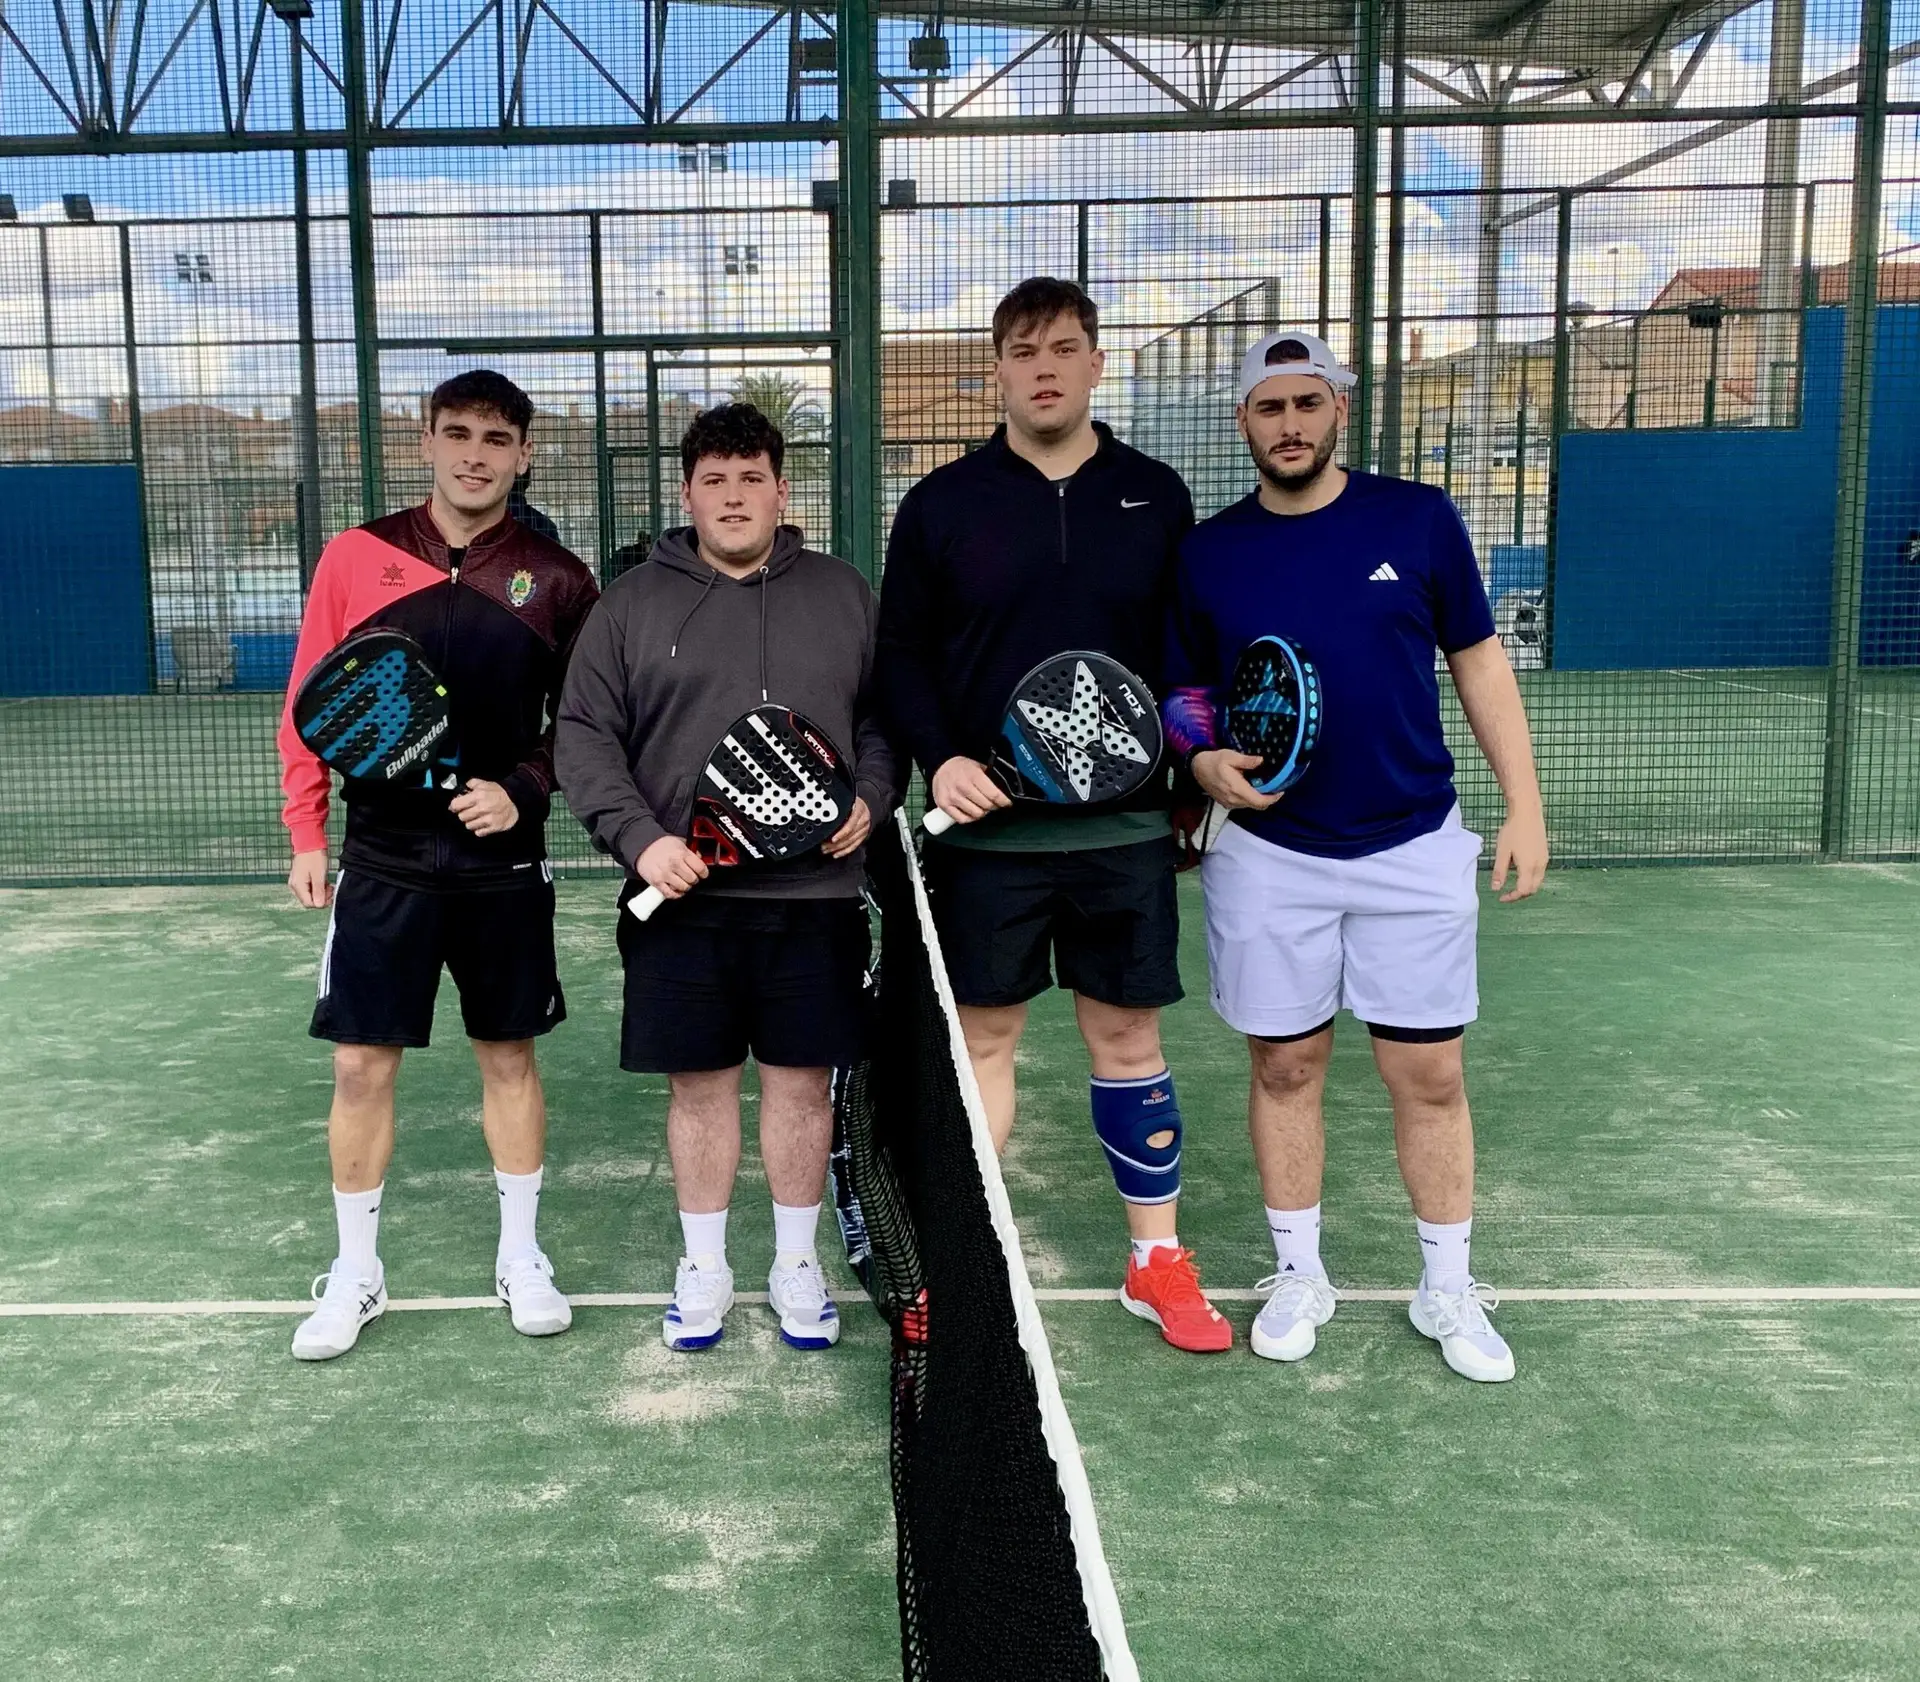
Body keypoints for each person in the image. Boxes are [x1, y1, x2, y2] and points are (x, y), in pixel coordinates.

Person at [1163, 330, 1549, 1383]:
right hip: (1269, 853)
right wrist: (1200, 758)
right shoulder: (1209, 551)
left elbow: (1478, 660)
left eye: (1307, 402)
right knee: (1285, 1065)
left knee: (1428, 1071)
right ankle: (1300, 1275)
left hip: (1412, 843)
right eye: (1269, 407)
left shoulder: (1416, 518)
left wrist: (1524, 805)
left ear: (1340, 407)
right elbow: (1187, 692)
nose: (1289, 424)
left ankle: (1447, 1286)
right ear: (1243, 422)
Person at [876, 276, 1232, 1354]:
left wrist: (1189, 766)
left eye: (1064, 347)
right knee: (984, 1039)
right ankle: (961, 1263)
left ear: (1095, 363)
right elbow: (900, 656)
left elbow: (1181, 658)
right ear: (996, 370)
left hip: (1122, 833)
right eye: (1023, 351)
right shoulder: (942, 503)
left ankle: (1156, 1260)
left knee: (1127, 1037)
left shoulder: (1155, 495)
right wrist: (942, 759)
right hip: (988, 838)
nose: (1044, 368)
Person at [555, 403, 899, 1353]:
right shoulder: (629, 604)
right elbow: (583, 736)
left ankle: (796, 1264)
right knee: (699, 1090)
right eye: (715, 480)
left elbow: (882, 719)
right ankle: (703, 1267)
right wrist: (639, 841)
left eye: (752, 479)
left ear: (782, 491)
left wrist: (872, 795)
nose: (734, 497)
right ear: (688, 493)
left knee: (801, 1090)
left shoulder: (843, 593)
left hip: (815, 902)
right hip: (681, 903)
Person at [278, 369, 600, 1360]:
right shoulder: (357, 555)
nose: (474, 454)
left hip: (502, 864)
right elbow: (311, 698)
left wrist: (524, 788)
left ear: (524, 455)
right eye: (457, 433)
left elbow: (586, 721)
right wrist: (306, 831)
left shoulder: (557, 578)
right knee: (359, 1064)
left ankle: (521, 1256)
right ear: (425, 442)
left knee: (509, 1056)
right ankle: (357, 1273)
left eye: (496, 439)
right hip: (384, 858)